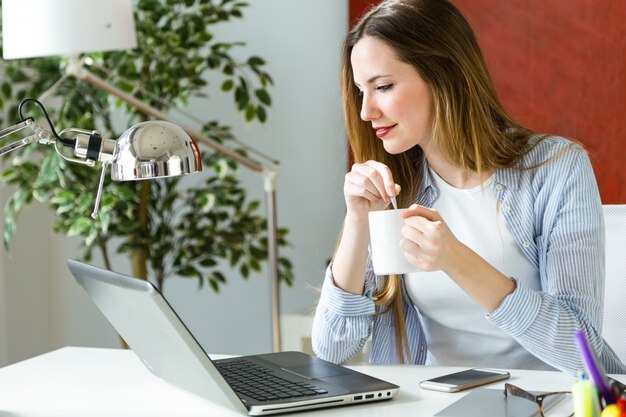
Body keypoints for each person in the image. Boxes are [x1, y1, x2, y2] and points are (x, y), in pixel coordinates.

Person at [311, 0, 626, 375]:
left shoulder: (555, 168)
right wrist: (358, 222)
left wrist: (455, 259)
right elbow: (331, 350)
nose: (366, 112)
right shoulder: (397, 187)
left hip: (548, 399)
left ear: (444, 74)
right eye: (361, 91)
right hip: (433, 402)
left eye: (383, 87)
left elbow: (582, 351)